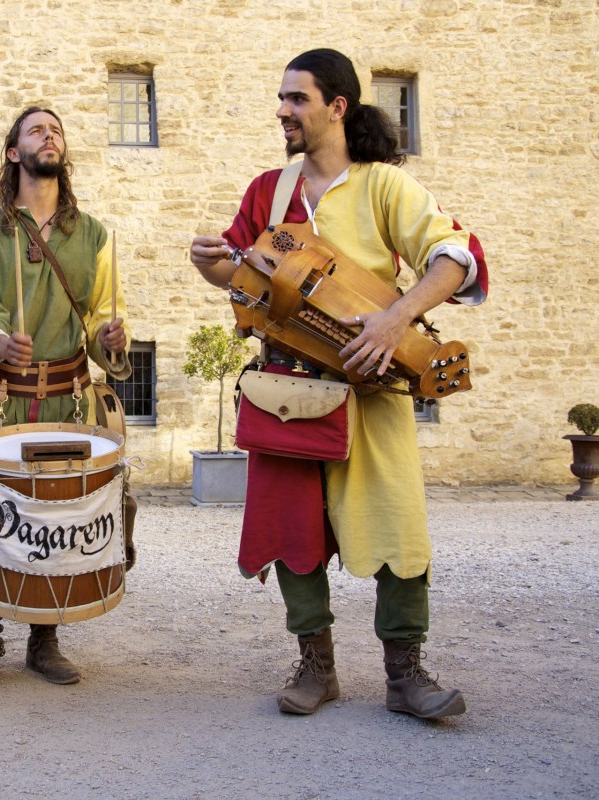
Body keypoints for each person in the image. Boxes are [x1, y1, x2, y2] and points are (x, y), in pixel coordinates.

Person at [190, 49, 487, 720]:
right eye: (282, 98)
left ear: (337, 107)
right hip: (287, 390)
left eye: (296, 99)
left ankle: (406, 675)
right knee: (292, 526)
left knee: (396, 524)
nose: (283, 110)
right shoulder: (270, 189)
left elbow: (454, 256)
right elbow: (241, 276)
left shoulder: (385, 187)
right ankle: (315, 667)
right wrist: (208, 263)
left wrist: (394, 318)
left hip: (370, 388)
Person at [0, 106, 131, 699]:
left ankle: (45, 638)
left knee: (58, 518)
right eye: (35, 130)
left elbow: (102, 315)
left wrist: (109, 340)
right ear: (13, 153)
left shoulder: (94, 235)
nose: (49, 137)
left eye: (56, 131)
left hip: (67, 401)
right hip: (0, 400)